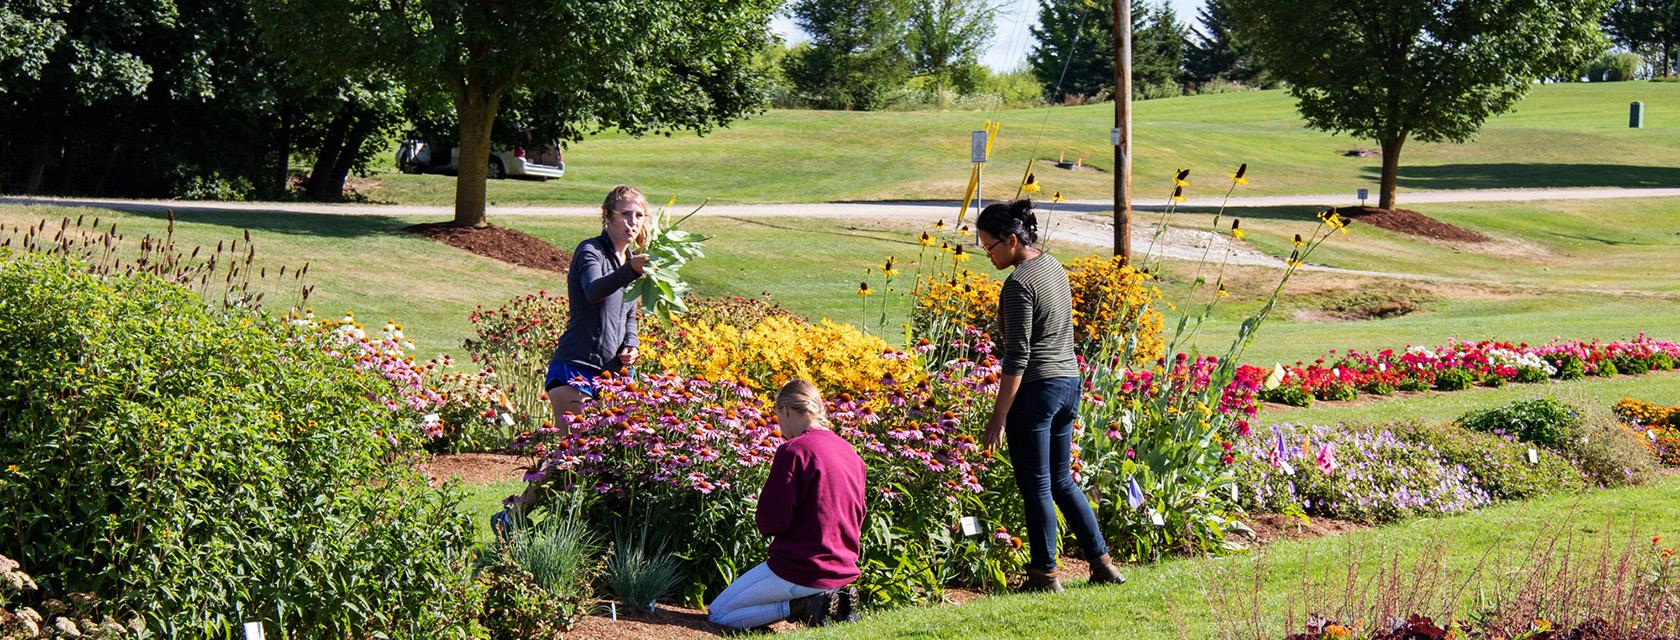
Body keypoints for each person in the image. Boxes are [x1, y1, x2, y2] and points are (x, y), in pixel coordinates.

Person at [975, 199, 1125, 593]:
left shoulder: (1019, 283)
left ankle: (1044, 575)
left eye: (989, 247)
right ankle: (1103, 564)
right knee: (1062, 480)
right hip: (1068, 383)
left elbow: (1017, 356)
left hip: (1037, 390)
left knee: (1037, 485)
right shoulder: (1053, 267)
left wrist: (998, 417)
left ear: (1010, 240)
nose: (987, 255)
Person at [707, 380, 866, 630]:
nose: (779, 426)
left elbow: (772, 520)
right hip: (843, 567)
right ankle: (830, 599)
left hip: (801, 567)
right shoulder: (850, 452)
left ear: (786, 410)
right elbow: (859, 513)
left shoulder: (795, 450)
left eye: (778, 415)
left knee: (719, 614)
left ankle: (803, 606)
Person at [546, 185, 652, 432]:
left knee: (607, 461)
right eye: (625, 214)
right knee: (573, 454)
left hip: (613, 374)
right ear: (607, 216)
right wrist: (630, 271)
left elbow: (628, 315)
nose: (632, 222)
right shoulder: (590, 250)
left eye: (638, 216)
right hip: (575, 367)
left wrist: (632, 344)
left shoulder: (632, 260)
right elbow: (593, 290)